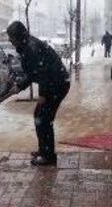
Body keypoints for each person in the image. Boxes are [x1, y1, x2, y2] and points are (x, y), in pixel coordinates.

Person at [7, 21, 70, 167]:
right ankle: (44, 151)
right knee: (41, 117)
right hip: (55, 83)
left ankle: (48, 156)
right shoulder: (26, 45)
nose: (10, 41)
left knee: (43, 117)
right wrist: (19, 86)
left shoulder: (31, 48)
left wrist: (43, 94)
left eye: (11, 37)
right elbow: (32, 73)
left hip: (57, 84)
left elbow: (43, 72)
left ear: (17, 36)